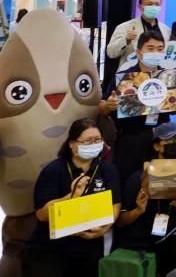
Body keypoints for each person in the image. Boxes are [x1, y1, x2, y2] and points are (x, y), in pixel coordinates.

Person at [24, 118, 121, 277]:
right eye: (87, 141)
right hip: (52, 248)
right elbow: (41, 215)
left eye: (97, 140)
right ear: (72, 144)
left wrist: (104, 229)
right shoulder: (53, 170)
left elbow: (115, 205)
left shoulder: (108, 170)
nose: (93, 144)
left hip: (90, 246)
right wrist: (72, 196)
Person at [114, 123, 176, 276]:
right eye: (169, 140)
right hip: (135, 242)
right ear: (157, 146)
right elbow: (120, 221)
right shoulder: (137, 177)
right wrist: (138, 210)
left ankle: (157, 272)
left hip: (162, 239)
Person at [100, 30, 176, 180]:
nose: (156, 53)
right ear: (138, 53)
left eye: (160, 49)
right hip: (130, 138)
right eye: (150, 48)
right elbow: (102, 107)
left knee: (160, 180)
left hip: (161, 138)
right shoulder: (125, 77)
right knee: (129, 180)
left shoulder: (169, 77)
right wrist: (109, 105)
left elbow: (174, 109)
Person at [106, 0, 171, 64]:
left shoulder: (166, 30)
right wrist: (126, 40)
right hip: (132, 70)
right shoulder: (125, 27)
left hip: (158, 70)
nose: (154, 7)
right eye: (149, 4)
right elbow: (110, 53)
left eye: (157, 4)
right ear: (140, 6)